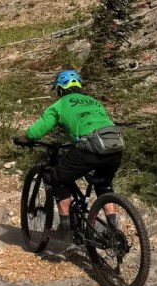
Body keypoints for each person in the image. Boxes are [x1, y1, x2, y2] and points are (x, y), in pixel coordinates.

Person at [14, 70, 124, 239]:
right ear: (78, 86)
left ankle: (65, 227)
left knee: (58, 177)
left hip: (90, 147)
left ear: (60, 89)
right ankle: (114, 230)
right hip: (114, 146)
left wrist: (25, 138)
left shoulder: (60, 104)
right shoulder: (94, 102)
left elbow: (36, 131)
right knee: (104, 185)